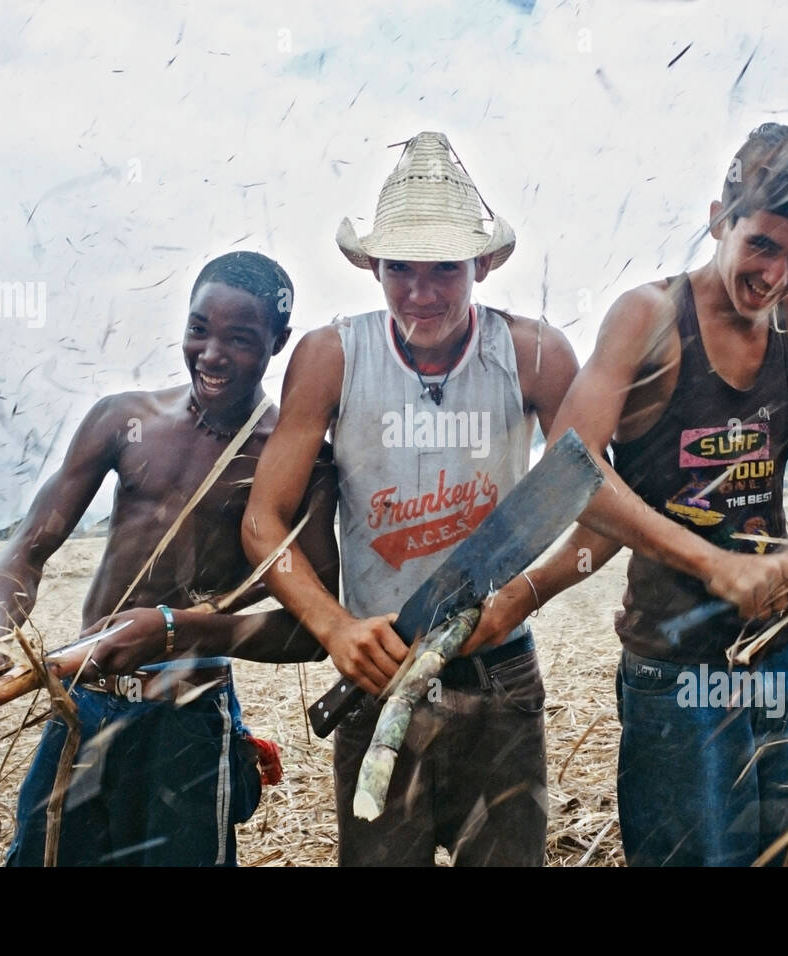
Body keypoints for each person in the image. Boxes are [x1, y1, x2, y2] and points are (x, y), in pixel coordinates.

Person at [512, 123, 788, 865]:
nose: (777, 276)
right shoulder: (646, 317)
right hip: (673, 664)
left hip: (779, 648)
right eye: (763, 246)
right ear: (720, 217)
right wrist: (713, 565)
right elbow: (570, 469)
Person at [242, 132, 579, 865]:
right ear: (373, 267)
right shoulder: (333, 355)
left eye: (444, 270)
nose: (420, 293)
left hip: (499, 676)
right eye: (400, 270)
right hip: (379, 669)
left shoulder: (534, 354)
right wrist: (334, 629)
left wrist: (524, 592)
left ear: (482, 264)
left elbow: (598, 501)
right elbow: (262, 521)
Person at [0, 251, 338, 866]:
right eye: (199, 329)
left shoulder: (297, 460)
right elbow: (28, 547)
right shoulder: (123, 419)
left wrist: (179, 630)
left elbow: (311, 631)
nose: (211, 354)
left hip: (188, 720)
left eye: (239, 338)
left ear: (278, 342)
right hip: (85, 705)